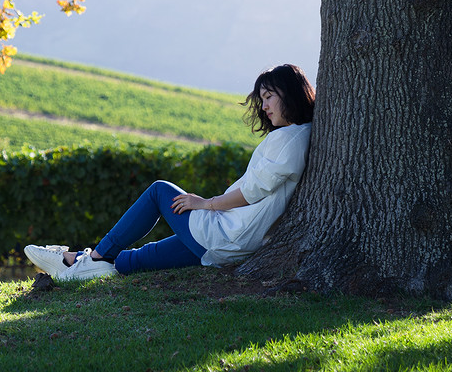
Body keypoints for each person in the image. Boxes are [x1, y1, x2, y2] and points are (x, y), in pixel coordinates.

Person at [24, 63, 315, 281]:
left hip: (227, 235)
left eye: (268, 97)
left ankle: (92, 256)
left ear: (288, 93)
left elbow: (253, 193)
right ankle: (76, 263)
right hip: (225, 242)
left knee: (159, 191)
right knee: (132, 261)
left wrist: (204, 203)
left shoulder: (291, 137)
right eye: (261, 99)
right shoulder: (295, 135)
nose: (263, 106)